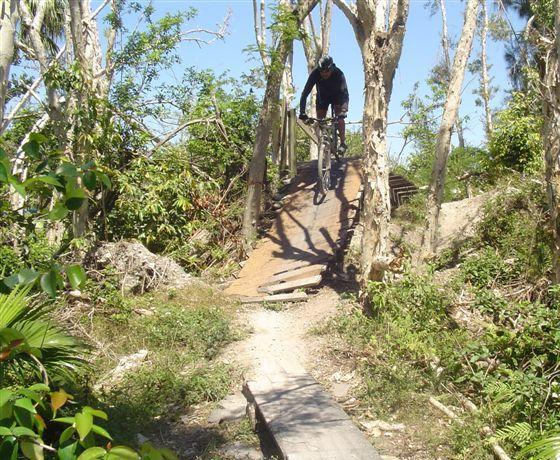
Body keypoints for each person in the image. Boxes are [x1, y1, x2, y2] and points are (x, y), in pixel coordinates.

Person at [299, 55, 349, 155]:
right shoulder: (315, 74)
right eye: (321, 71)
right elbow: (305, 93)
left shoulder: (339, 74)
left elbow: (345, 93)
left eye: (326, 71)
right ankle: (326, 137)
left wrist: (344, 110)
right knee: (320, 119)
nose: (324, 73)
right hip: (323, 96)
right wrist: (302, 112)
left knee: (340, 117)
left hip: (337, 96)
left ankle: (343, 143)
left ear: (332, 68)